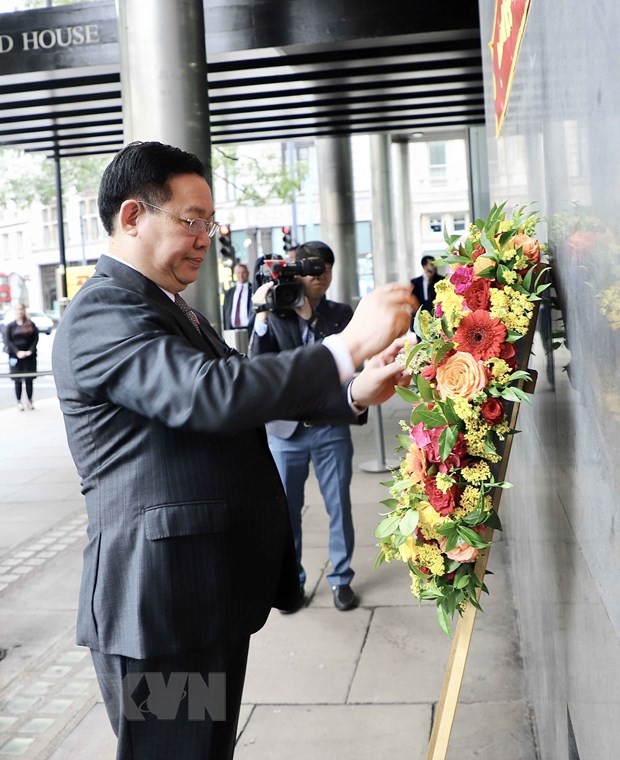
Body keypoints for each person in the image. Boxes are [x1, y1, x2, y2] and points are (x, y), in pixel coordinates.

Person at [51, 140, 416, 760]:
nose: (204, 238)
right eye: (191, 221)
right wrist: (344, 348)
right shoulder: (103, 312)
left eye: (208, 224)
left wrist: (352, 389)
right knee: (177, 753)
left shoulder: (167, 307)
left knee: (203, 749)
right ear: (133, 216)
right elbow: (208, 395)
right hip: (162, 605)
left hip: (201, 592)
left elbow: (243, 396)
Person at [249, 241, 359, 612]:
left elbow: (350, 363)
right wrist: (261, 316)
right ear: (297, 272)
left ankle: (341, 579)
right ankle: (292, 583)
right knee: (286, 512)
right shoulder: (277, 311)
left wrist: (311, 316)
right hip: (286, 431)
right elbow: (256, 364)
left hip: (331, 428)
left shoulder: (341, 313)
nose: (321, 276)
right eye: (313, 270)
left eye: (327, 268)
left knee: (338, 506)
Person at [4, 303, 39, 411]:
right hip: (15, 357)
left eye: (21, 309)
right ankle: (18, 401)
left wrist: (30, 351)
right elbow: (7, 341)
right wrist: (17, 352)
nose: (19, 311)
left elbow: (35, 339)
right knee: (17, 380)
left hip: (29, 356)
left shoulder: (30, 324)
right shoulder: (10, 326)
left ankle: (29, 401)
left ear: (24, 310)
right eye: (17, 309)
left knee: (29, 380)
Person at [222, 263, 253, 332]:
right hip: (232, 330)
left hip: (249, 329)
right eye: (238, 273)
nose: (241, 275)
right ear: (235, 274)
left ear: (248, 273)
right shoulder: (229, 293)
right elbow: (225, 312)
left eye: (243, 272)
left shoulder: (254, 290)